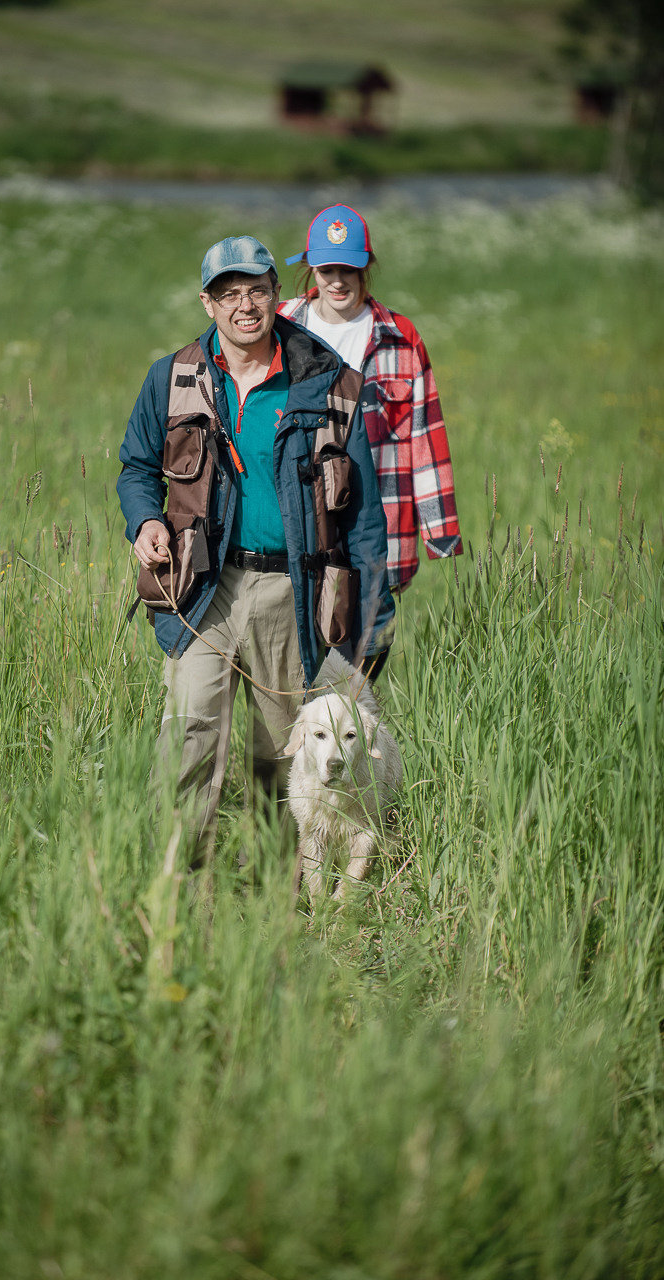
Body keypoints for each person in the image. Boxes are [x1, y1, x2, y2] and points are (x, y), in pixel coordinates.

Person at [117, 234, 395, 856]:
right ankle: (179, 888)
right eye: (229, 293)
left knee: (284, 752)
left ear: (278, 296)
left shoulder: (330, 383)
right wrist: (145, 522)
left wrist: (372, 623)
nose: (245, 304)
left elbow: (365, 518)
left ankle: (278, 895)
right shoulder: (173, 378)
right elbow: (136, 467)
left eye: (257, 290)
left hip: (293, 592)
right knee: (189, 737)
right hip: (204, 586)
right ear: (207, 303)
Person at [278, 205, 462, 593]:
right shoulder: (282, 327)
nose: (338, 281)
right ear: (311, 267)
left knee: (367, 647)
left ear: (366, 268)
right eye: (327, 270)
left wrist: (440, 532)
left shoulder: (400, 336)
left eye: (349, 270)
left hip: (378, 518)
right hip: (299, 519)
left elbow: (425, 437)